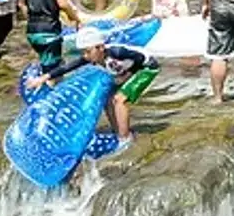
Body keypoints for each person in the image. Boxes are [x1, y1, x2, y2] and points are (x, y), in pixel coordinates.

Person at [25, 25, 145, 155]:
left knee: (120, 99)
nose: (85, 55)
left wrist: (128, 75)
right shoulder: (95, 56)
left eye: (88, 51)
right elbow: (68, 67)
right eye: (83, 52)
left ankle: (125, 138)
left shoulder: (117, 53)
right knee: (107, 98)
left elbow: (142, 59)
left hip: (147, 70)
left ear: (100, 47)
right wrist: (43, 78)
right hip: (127, 70)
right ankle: (117, 131)